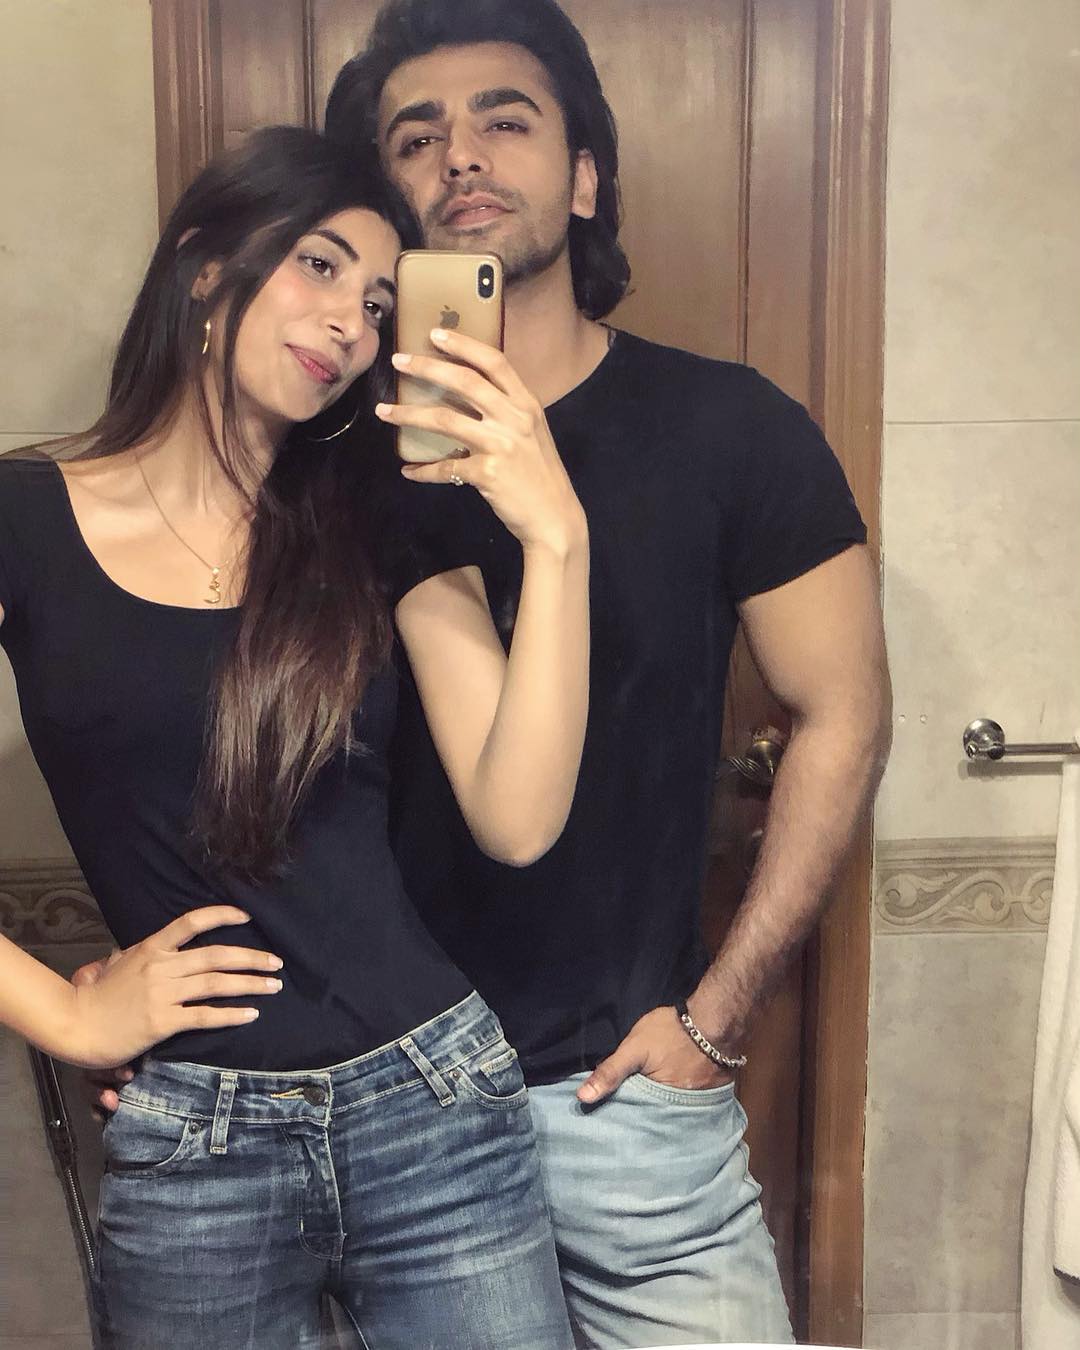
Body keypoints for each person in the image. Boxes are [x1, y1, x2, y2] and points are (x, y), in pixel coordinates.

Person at [319, 1, 894, 1345]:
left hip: (626, 1101)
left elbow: (845, 713)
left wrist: (719, 1013)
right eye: (417, 137)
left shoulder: (732, 429)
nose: (461, 155)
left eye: (504, 121)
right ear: (387, 202)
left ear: (584, 178)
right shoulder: (330, 461)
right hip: (384, 1101)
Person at [3, 124, 587, 1349]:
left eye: (377, 302)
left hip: (434, 1108)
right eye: (320, 265)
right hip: (193, 1147)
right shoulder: (21, 517)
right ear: (207, 265)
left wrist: (556, 539)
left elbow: (518, 817)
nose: (350, 325)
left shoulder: (378, 524)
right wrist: (62, 1014)